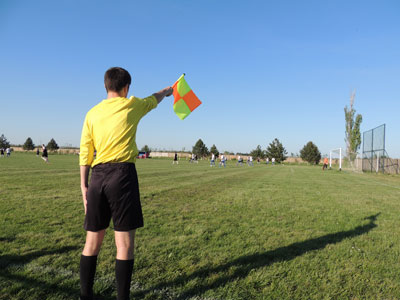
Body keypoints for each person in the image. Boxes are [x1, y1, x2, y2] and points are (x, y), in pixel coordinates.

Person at [79, 67, 173, 300]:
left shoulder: (91, 113)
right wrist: (168, 91)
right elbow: (155, 98)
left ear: (105, 86)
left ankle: (85, 295)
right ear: (127, 88)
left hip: (97, 177)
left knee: (91, 242)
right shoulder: (132, 105)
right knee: (124, 245)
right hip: (122, 175)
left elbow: (85, 152)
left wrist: (84, 185)